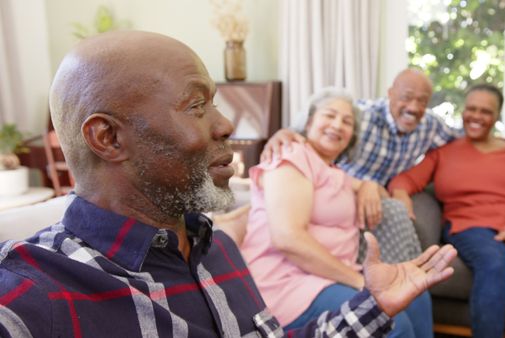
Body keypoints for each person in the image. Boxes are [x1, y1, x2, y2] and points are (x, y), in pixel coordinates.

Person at [0, 30, 458, 338]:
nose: (226, 125)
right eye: (197, 106)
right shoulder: (35, 295)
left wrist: (372, 306)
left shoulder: (215, 250)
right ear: (108, 138)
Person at [241, 87, 435, 338]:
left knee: (417, 296)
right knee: (393, 323)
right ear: (309, 121)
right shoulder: (292, 156)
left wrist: (369, 185)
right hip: (287, 285)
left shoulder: (335, 172)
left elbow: (381, 196)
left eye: (347, 121)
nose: (337, 125)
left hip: (328, 279)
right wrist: (359, 282)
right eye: (329, 115)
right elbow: (287, 238)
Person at [389, 84, 505, 338]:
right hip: (468, 226)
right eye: (471, 109)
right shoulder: (443, 152)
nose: (476, 116)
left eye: (486, 111)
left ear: (497, 116)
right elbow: (405, 180)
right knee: (494, 262)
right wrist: (399, 194)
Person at [261, 69, 458, 263]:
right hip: (340, 192)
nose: (414, 107)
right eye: (406, 97)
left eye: (422, 101)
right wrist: (283, 133)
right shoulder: (360, 116)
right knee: (394, 213)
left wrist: (399, 186)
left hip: (376, 195)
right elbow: (309, 131)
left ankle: (406, 278)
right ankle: (397, 279)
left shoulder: (430, 126)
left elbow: (464, 140)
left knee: (395, 212)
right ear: (390, 94)